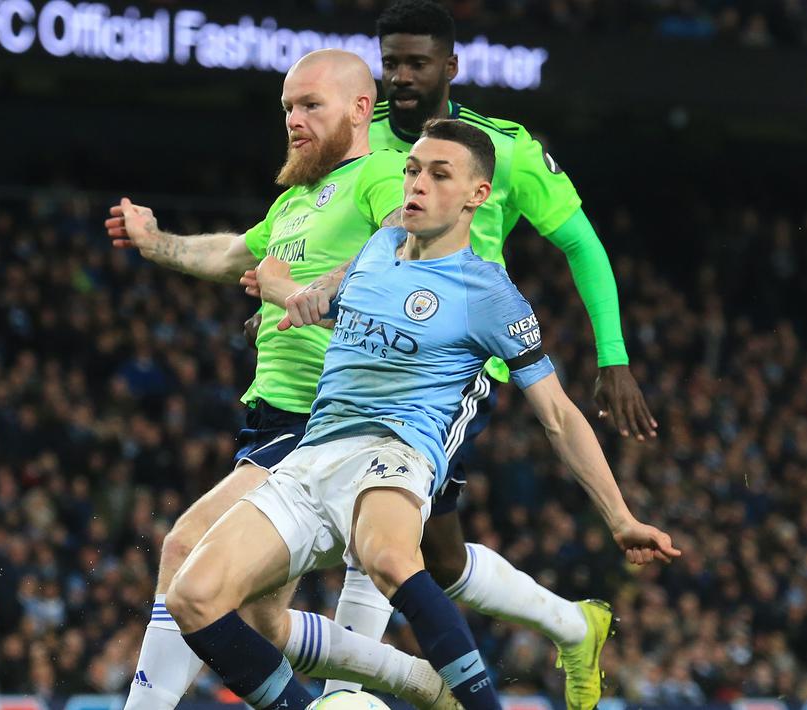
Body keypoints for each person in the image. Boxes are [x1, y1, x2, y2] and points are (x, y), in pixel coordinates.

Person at [167, 119, 680, 710]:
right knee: (193, 597)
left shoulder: (490, 295)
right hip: (311, 456)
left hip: (397, 450)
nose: (416, 185)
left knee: (389, 557)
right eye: (412, 170)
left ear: (476, 196)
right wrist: (282, 290)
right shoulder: (378, 249)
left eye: (439, 175)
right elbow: (353, 312)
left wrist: (619, 518)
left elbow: (559, 416)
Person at [239, 2, 658, 706]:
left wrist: (611, 356)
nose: (401, 77)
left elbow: (580, 245)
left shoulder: (503, 147)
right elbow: (302, 230)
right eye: (391, 63)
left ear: (449, 67)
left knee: (379, 527)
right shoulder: (352, 136)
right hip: (342, 350)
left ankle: (352, 693)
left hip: (446, 370)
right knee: (440, 556)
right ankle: (569, 625)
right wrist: (281, 303)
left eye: (416, 63)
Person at [107, 49, 467, 709]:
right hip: (271, 422)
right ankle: (415, 680)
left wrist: (317, 292)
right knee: (261, 621)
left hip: (322, 422)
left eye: (310, 106)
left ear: (361, 109)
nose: (294, 121)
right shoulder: (297, 202)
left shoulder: (383, 174)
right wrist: (155, 241)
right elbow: (229, 252)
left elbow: (400, 231)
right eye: (287, 109)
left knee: (184, 549)